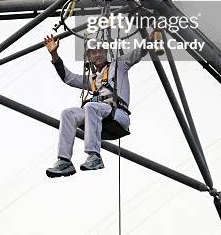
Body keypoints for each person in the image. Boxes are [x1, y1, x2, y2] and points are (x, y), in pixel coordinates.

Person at [44, 29, 154, 177]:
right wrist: (55, 56)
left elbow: (138, 52)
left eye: (101, 51)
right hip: (99, 115)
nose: (98, 54)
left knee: (90, 106)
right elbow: (68, 78)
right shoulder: (93, 80)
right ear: (89, 57)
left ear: (106, 52)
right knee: (68, 113)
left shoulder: (119, 65)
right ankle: (64, 161)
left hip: (118, 115)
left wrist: (151, 37)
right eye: (94, 52)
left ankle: (94, 156)